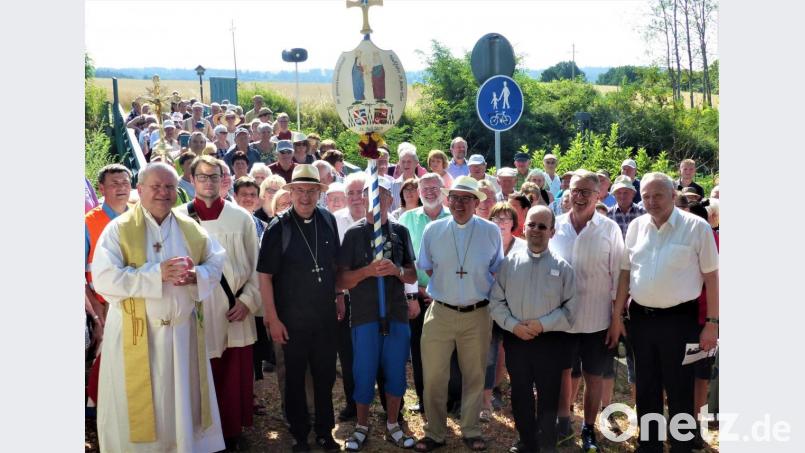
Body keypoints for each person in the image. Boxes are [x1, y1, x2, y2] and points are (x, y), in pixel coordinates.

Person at [91, 162, 227, 452]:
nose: (163, 193)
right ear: (139, 190)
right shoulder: (118, 230)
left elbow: (216, 261)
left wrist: (196, 276)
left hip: (182, 338)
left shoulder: (190, 229)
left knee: (180, 410)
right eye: (156, 186)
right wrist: (156, 275)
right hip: (135, 338)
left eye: (169, 187)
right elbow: (103, 279)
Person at [606, 172, 719, 453]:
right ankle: (650, 445)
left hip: (680, 320)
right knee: (646, 386)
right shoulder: (636, 226)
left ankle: (681, 445)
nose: (651, 201)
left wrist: (712, 323)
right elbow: (625, 273)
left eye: (658, 195)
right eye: (646, 196)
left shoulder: (697, 227)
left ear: (672, 194)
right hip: (641, 320)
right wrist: (617, 315)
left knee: (679, 387)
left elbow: (712, 278)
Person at [176, 156, 261, 451]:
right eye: (202, 176)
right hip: (195, 310)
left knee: (231, 376)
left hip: (233, 309)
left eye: (215, 177)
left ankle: (231, 433)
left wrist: (249, 301)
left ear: (224, 180)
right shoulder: (178, 219)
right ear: (192, 178)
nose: (209, 182)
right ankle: (200, 435)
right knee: (200, 374)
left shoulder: (241, 219)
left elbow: (256, 267)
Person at [414, 176, 504, 453]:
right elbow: (428, 268)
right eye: (454, 198)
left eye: (466, 198)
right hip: (440, 312)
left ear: (477, 202)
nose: (459, 204)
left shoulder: (490, 231)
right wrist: (450, 289)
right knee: (433, 377)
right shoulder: (433, 230)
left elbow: (495, 268)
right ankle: (435, 432)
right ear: (447, 200)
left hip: (477, 314)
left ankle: (471, 429)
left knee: (474, 375)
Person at [257, 165, 343, 452]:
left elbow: (333, 268)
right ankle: (299, 434)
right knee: (293, 379)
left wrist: (340, 295)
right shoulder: (278, 227)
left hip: (324, 319)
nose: (305, 197)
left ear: (319, 193)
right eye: (300, 190)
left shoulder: (328, 220)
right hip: (290, 320)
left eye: (311, 191)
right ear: (291, 192)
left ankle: (324, 431)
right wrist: (272, 318)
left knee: (324, 376)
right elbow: (265, 276)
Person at [337, 177, 418, 451]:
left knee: (396, 372)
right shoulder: (353, 234)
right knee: (363, 372)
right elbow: (342, 281)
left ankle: (393, 423)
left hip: (396, 314)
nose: (376, 199)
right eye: (371, 194)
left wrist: (396, 271)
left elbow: (412, 274)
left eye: (382, 194)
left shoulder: (400, 232)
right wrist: (366, 272)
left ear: (390, 199)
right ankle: (361, 425)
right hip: (364, 316)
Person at [489, 205, 577, 453]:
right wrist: (513, 326)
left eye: (542, 226)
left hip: (549, 341)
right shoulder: (509, 264)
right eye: (531, 225)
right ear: (524, 228)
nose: (536, 230)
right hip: (517, 339)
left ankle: (546, 441)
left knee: (549, 394)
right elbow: (496, 301)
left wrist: (542, 325)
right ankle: (526, 440)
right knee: (520, 393)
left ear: (552, 231)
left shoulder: (563, 268)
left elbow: (571, 310)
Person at [549, 170, 624, 452]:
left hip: (597, 320)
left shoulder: (609, 229)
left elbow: (619, 277)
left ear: (598, 196)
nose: (578, 197)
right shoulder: (555, 226)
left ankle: (588, 427)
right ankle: (563, 421)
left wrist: (616, 319)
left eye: (585, 192)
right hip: (562, 320)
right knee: (562, 374)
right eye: (574, 191)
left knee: (594, 377)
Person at [397, 173, 450, 416]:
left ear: (443, 190)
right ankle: (422, 398)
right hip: (414, 295)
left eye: (434, 187)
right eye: (424, 187)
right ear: (417, 191)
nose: (429, 191)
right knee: (419, 351)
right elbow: (401, 259)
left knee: (448, 352)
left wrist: (437, 289)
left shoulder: (454, 218)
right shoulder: (406, 219)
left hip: (447, 296)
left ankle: (448, 400)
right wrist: (417, 289)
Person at [85, 164, 133, 408]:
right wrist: (94, 308)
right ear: (101, 189)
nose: (121, 188)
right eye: (114, 184)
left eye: (125, 183)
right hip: (102, 306)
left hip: (133, 303)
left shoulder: (139, 217)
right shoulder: (88, 222)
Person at [481, 202, 526, 422]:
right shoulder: (485, 244)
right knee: (488, 357)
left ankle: (518, 403)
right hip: (489, 309)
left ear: (514, 223)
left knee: (516, 359)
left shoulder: (522, 247)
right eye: (496, 218)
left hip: (514, 311)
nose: (501, 223)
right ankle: (486, 403)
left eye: (506, 218)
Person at [332, 172, 369, 421]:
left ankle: (384, 405)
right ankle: (352, 403)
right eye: (351, 194)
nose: (356, 198)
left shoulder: (381, 220)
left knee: (374, 353)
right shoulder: (334, 221)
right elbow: (333, 263)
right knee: (347, 354)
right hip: (345, 298)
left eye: (360, 192)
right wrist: (338, 294)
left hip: (374, 298)